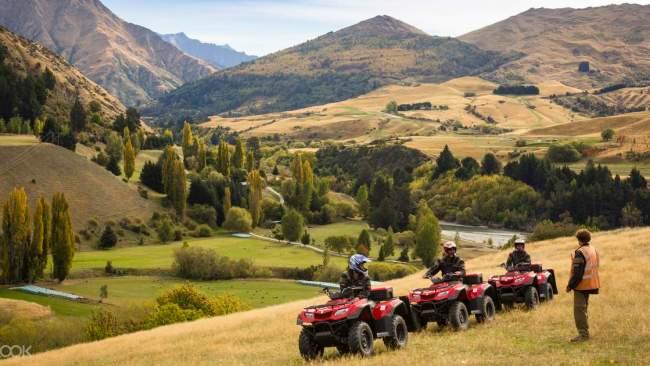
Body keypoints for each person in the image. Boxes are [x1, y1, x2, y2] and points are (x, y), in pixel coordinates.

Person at [566, 229, 600, 342]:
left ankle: (583, 335)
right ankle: (585, 333)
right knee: (584, 309)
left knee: (579, 310)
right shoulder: (593, 249)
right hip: (592, 283)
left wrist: (570, 285)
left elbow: (578, 273)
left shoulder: (580, 252)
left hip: (581, 286)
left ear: (579, 240)